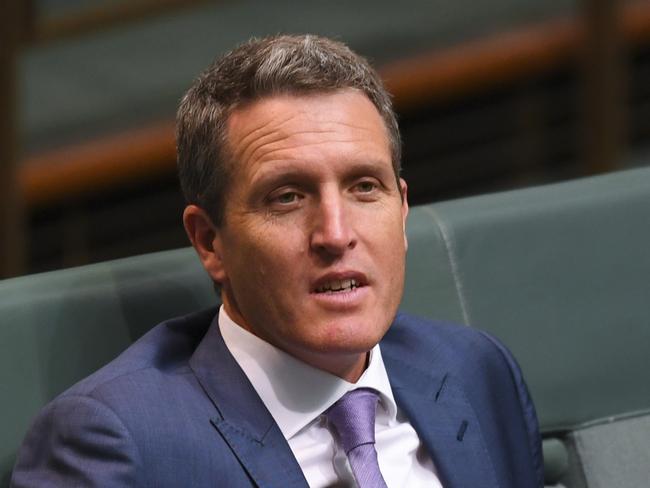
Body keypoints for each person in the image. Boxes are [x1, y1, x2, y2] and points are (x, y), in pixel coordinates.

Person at [11, 35, 543, 488]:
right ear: (209, 241)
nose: (336, 235)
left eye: (364, 187)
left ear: (402, 210)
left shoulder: (476, 370)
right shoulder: (118, 444)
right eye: (286, 197)